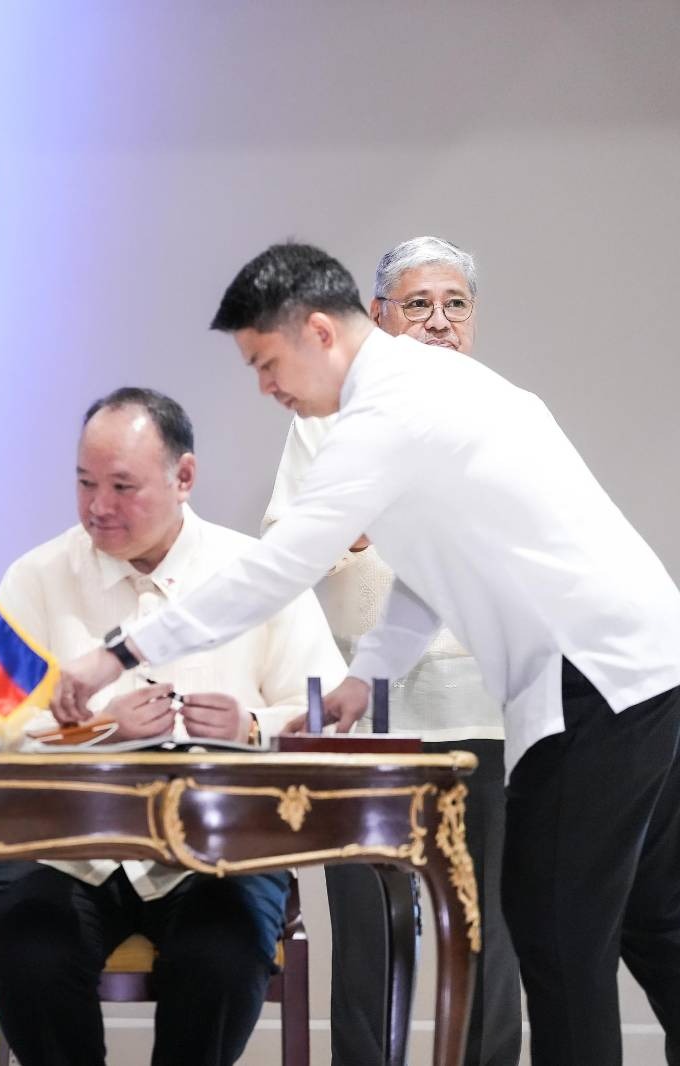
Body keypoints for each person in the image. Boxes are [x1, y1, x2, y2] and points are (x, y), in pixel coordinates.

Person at [54, 242, 680, 1066]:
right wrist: (366, 677)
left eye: (266, 363)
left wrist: (118, 653)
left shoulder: (384, 414)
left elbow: (279, 569)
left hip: (593, 678)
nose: (265, 386)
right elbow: (439, 561)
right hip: (645, 665)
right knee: (654, 923)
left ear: (319, 332)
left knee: (558, 937)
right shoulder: (434, 391)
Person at [0, 387, 345, 1066]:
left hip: (216, 845)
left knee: (221, 956)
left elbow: (326, 717)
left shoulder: (254, 575)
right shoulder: (36, 577)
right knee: (32, 955)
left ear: (184, 477)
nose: (98, 506)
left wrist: (251, 728)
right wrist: (94, 731)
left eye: (122, 487)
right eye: (85, 483)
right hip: (66, 844)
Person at [264, 236, 519, 1066]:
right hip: (362, 715)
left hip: (481, 707)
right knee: (370, 928)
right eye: (418, 304)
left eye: (456, 305)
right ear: (379, 318)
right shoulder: (327, 415)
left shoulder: (503, 415)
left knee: (486, 922)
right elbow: (284, 546)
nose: (439, 321)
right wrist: (356, 525)